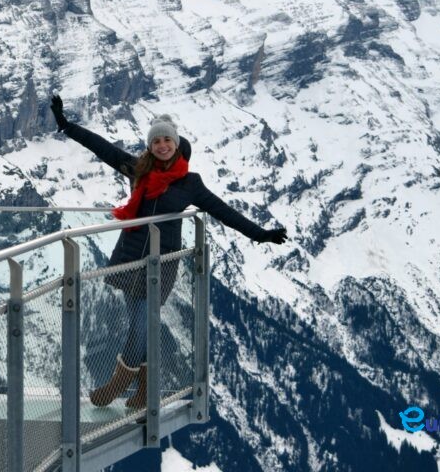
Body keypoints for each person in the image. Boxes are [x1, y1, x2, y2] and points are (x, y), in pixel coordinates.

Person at [50, 94, 287, 409]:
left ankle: (115, 386)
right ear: (150, 145)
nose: (162, 145)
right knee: (140, 322)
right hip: (131, 257)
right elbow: (102, 148)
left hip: (163, 263)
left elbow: (222, 210)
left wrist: (260, 234)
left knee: (141, 323)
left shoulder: (190, 183)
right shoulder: (139, 170)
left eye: (167, 140)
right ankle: (145, 390)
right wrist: (67, 125)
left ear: (176, 144)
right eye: (156, 140)